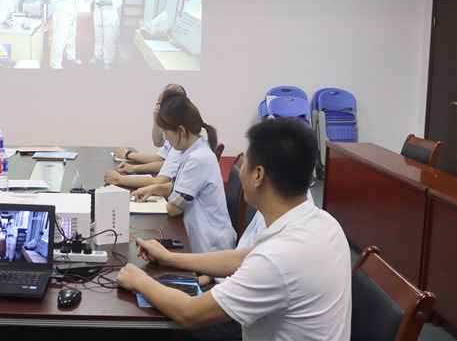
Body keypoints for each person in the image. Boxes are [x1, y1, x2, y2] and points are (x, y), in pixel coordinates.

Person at [117, 118, 352, 341]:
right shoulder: (324, 223)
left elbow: (189, 313)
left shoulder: (278, 260)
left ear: (258, 175)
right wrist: (169, 258)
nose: (241, 170)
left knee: (145, 330)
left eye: (245, 162)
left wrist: (139, 280)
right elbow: (241, 259)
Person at [131, 93, 235, 254]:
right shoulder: (193, 150)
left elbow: (174, 209)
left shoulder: (197, 159)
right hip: (203, 239)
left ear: (181, 131)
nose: (166, 138)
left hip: (210, 248)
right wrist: (154, 189)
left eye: (166, 133)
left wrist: (165, 195)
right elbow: (176, 187)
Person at [106, 84, 187, 190]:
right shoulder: (180, 134)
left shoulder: (181, 143)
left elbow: (160, 181)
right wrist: (134, 168)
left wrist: (119, 179)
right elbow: (166, 163)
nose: (165, 139)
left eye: (159, 104)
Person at [90, 0, 123, 70]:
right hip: (98, 14)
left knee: (109, 38)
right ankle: (98, 56)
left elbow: (118, 2)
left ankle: (108, 60)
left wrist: (106, 2)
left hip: (110, 15)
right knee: (98, 37)